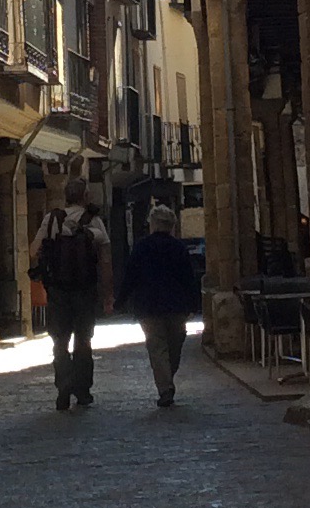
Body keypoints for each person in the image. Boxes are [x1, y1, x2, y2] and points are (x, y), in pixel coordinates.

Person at [29, 175, 112, 410]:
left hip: (58, 291)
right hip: (85, 290)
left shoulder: (51, 220)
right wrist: (108, 295)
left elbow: (33, 250)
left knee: (60, 341)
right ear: (85, 196)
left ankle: (63, 386)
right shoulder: (94, 221)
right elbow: (106, 261)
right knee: (83, 341)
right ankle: (83, 390)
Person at [116, 203, 203, 406]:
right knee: (174, 346)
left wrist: (120, 301)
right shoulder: (178, 248)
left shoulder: (142, 247)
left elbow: (130, 277)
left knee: (157, 348)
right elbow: (188, 278)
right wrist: (194, 304)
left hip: (149, 306)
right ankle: (166, 386)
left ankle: (165, 384)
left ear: (153, 224)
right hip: (176, 306)